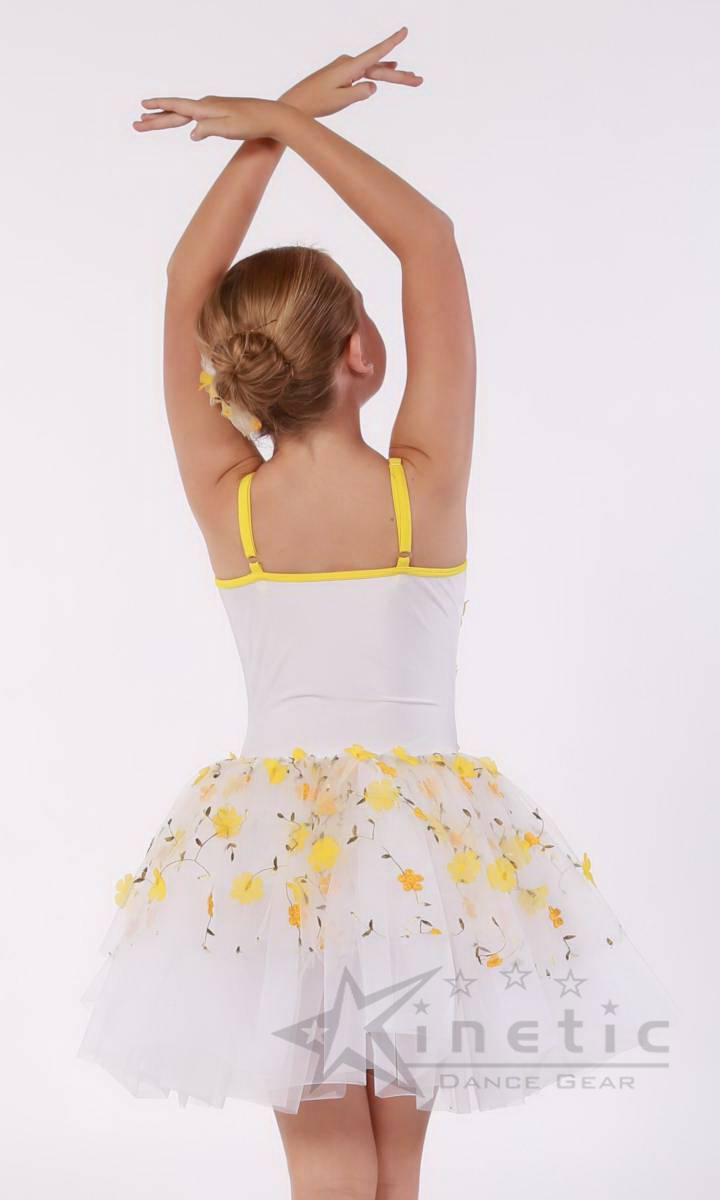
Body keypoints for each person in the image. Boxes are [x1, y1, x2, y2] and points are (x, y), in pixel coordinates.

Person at [76, 29, 674, 1200]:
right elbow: (430, 241)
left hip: (274, 861)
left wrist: (270, 124)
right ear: (364, 349)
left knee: (329, 1161)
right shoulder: (422, 490)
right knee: (397, 1162)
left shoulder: (229, 501)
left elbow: (183, 284)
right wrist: (291, 121)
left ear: (235, 376)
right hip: (420, 863)